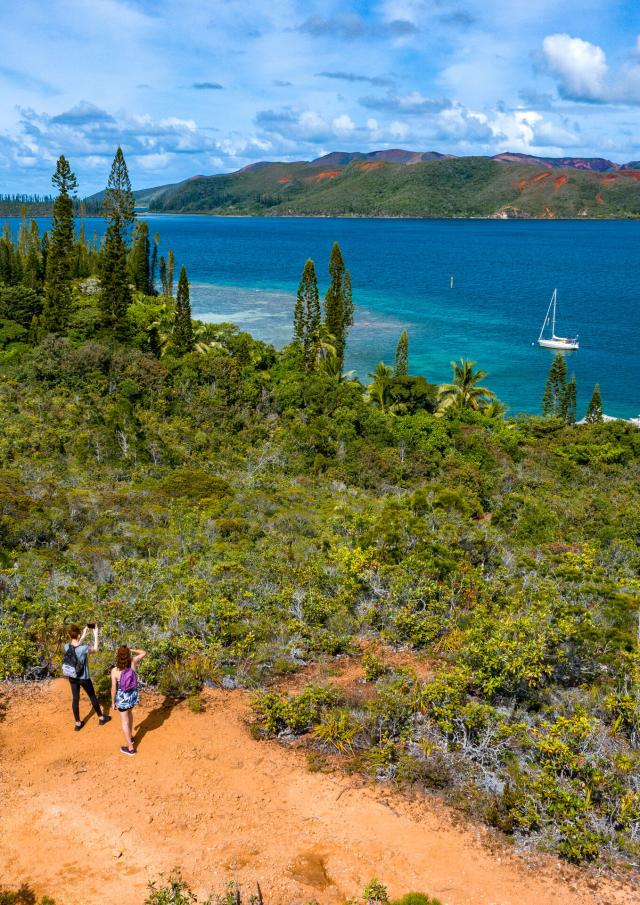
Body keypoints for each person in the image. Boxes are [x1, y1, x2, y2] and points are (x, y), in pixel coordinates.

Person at [63, 624, 111, 731]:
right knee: (92, 696)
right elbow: (96, 649)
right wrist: (95, 634)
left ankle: (78, 723)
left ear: (70, 636)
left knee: (75, 699)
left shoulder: (66, 647)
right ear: (78, 635)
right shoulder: (83, 648)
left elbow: (74, 647)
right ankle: (101, 718)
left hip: (72, 677)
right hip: (84, 677)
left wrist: (83, 636)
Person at [111, 645, 146, 756]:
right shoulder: (133, 662)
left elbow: (113, 688)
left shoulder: (115, 671)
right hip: (133, 697)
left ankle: (130, 748)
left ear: (118, 656)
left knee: (124, 722)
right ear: (128, 655)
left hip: (122, 700)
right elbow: (143, 652)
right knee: (129, 714)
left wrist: (113, 702)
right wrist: (131, 650)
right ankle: (130, 737)